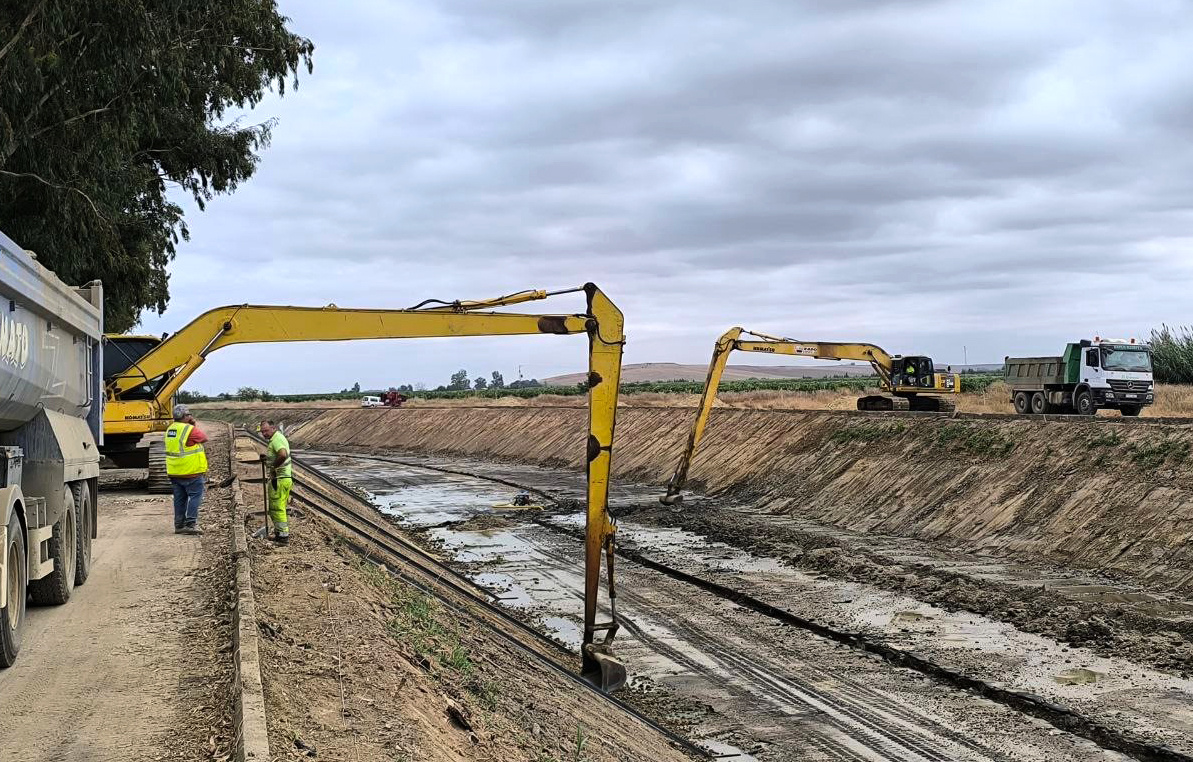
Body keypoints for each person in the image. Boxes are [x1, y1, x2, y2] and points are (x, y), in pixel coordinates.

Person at [165, 404, 208, 535]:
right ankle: (190, 524)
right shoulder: (189, 429)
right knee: (195, 497)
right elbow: (204, 438)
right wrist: (193, 424)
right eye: (189, 415)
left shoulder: (170, 429)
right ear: (184, 417)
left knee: (179, 499)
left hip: (175, 472)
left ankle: (179, 525)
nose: (190, 416)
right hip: (190, 472)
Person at [259, 420, 292, 543]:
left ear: (273, 428)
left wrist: (273, 467)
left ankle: (283, 537)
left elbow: (282, 455)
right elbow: (278, 455)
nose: (264, 434)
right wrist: (267, 459)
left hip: (280, 480)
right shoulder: (277, 438)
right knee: (279, 508)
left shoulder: (276, 439)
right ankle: (280, 535)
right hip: (284, 479)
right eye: (262, 432)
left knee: (276, 508)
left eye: (266, 431)